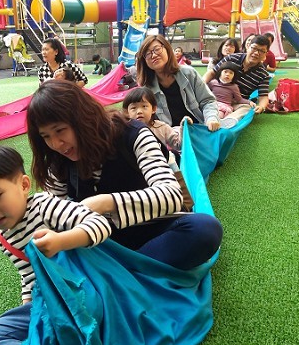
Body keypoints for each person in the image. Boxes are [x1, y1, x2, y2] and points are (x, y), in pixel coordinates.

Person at [26, 79, 223, 267]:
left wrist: (105, 203)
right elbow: (50, 216)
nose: (56, 144)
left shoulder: (134, 134)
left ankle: (118, 275)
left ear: (82, 118)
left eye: (60, 130)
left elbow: (172, 195)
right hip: (102, 242)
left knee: (205, 229)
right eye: (46, 136)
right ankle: (131, 275)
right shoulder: (58, 161)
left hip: (155, 232)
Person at [0, 145, 112, 345]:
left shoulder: (44, 207)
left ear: (24, 185)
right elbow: (28, 276)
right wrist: (29, 307)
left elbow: (101, 224)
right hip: (49, 306)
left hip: (84, 295)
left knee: (72, 325)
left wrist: (61, 241)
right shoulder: (4, 238)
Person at [136, 34, 220, 132]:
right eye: (147, 54)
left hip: (198, 128)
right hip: (170, 135)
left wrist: (211, 119)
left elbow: (207, 101)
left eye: (157, 49)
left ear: (167, 49)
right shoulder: (147, 87)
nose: (153, 55)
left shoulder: (189, 74)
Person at [203, 34, 271, 117]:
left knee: (247, 108)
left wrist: (261, 107)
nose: (256, 53)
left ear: (266, 54)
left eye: (262, 51)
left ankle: (229, 120)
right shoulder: (231, 58)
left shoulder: (263, 75)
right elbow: (212, 72)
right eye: (254, 48)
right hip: (216, 97)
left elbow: (263, 96)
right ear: (248, 47)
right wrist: (202, 85)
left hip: (237, 103)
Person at [122, 86, 180, 152]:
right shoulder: (127, 132)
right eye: (133, 108)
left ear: (153, 109)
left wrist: (184, 127)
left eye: (144, 106)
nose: (139, 111)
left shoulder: (161, 127)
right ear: (127, 112)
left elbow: (178, 144)